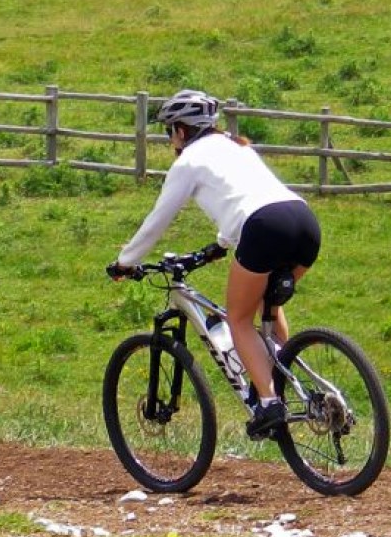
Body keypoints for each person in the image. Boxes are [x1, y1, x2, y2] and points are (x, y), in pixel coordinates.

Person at [109, 89, 321, 439]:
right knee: (267, 302)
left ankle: (270, 403)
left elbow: (157, 220)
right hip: (303, 221)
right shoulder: (238, 147)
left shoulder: (188, 162)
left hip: (264, 227)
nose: (170, 139)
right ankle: (285, 382)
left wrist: (124, 262)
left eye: (169, 131)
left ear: (180, 130)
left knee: (238, 319)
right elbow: (248, 197)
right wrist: (220, 246)